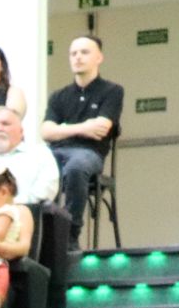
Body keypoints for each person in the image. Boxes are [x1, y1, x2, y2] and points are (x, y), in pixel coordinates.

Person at [39, 35, 125, 235]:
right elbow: (46, 131)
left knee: (76, 167)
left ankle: (70, 233)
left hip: (90, 153)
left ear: (99, 58)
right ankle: (44, 232)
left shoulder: (112, 91)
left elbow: (102, 127)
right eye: (73, 53)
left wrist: (63, 128)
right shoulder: (59, 96)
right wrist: (84, 127)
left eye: (84, 52)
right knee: (35, 163)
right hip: (56, 152)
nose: (77, 57)